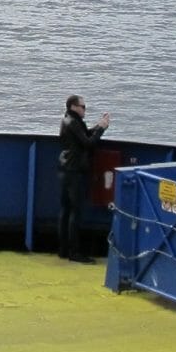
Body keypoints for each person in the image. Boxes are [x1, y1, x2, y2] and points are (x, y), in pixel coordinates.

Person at [56, 94, 109, 262]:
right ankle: (74, 252)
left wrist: (99, 126)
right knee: (75, 212)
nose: (84, 109)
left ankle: (63, 249)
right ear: (74, 107)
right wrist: (100, 129)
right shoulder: (73, 122)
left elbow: (84, 135)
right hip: (74, 171)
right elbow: (88, 143)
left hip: (65, 169)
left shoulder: (68, 121)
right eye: (83, 107)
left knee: (65, 210)